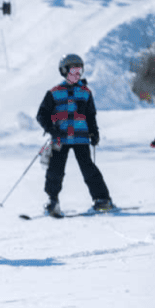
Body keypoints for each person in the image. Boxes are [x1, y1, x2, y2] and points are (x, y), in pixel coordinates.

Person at [36, 54, 115, 216]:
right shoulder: (54, 93)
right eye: (73, 71)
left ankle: (102, 199)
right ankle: (52, 200)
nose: (77, 75)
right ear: (64, 72)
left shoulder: (85, 92)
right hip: (60, 138)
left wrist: (94, 133)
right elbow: (41, 115)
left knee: (88, 168)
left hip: (81, 137)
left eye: (80, 72)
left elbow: (91, 115)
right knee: (55, 169)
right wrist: (52, 129)